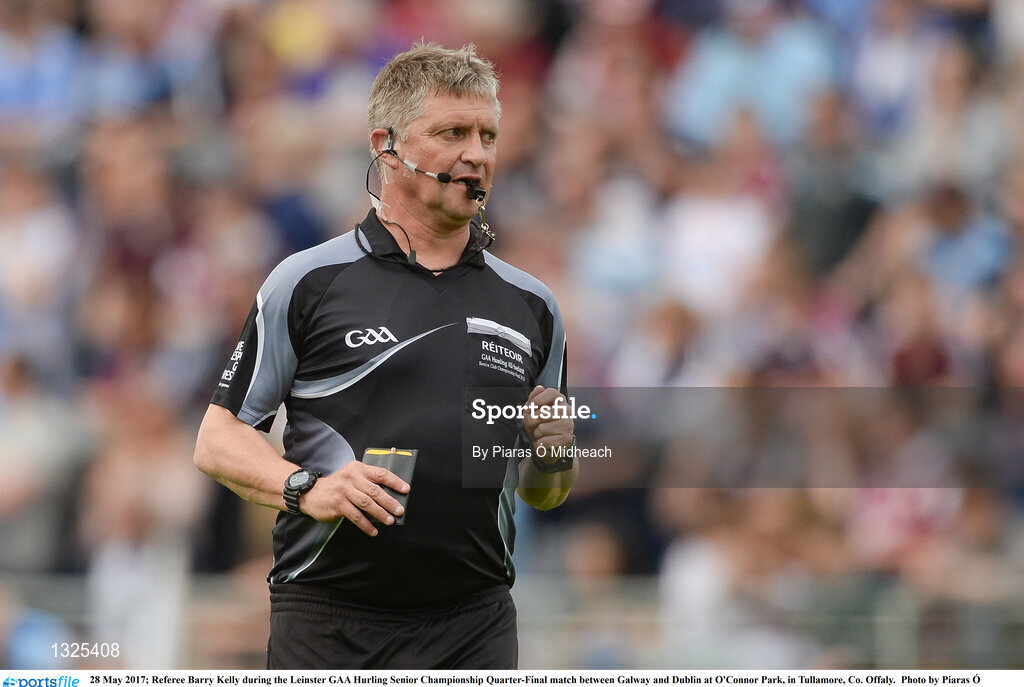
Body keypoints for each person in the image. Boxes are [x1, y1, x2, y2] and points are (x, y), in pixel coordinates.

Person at [193, 42, 578, 669]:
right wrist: (305, 488)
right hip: (327, 620)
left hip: (475, 625)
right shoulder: (308, 281)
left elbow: (544, 494)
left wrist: (555, 457)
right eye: (452, 132)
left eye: (488, 135)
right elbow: (216, 439)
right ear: (387, 146)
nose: (476, 154)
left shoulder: (533, 306)